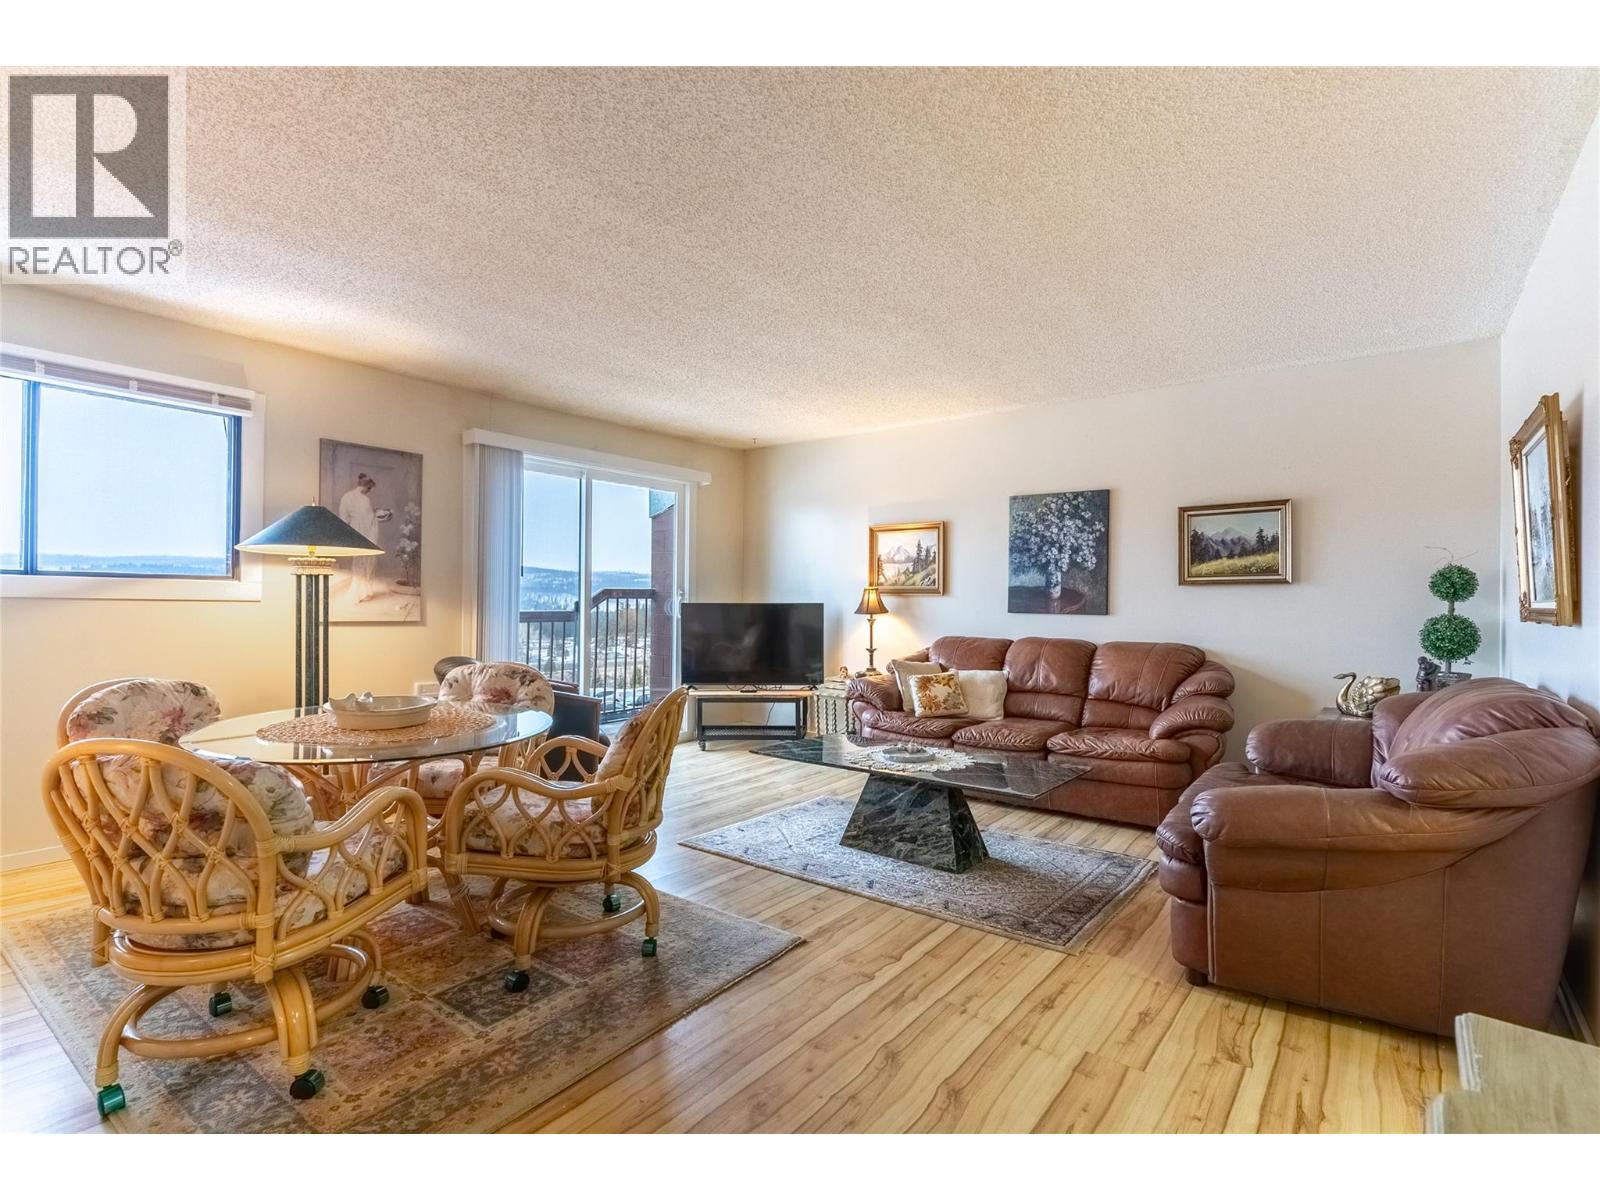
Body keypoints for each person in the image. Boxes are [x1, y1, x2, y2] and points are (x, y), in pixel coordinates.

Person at [337, 472, 389, 601]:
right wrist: (380, 513)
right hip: (365, 532)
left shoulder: (346, 497)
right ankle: (363, 592)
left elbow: (343, 518)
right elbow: (369, 518)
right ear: (367, 487)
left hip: (354, 531)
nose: (369, 491)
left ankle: (363, 591)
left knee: (359, 562)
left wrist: (348, 532)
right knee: (367, 561)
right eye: (369, 489)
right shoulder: (365, 499)